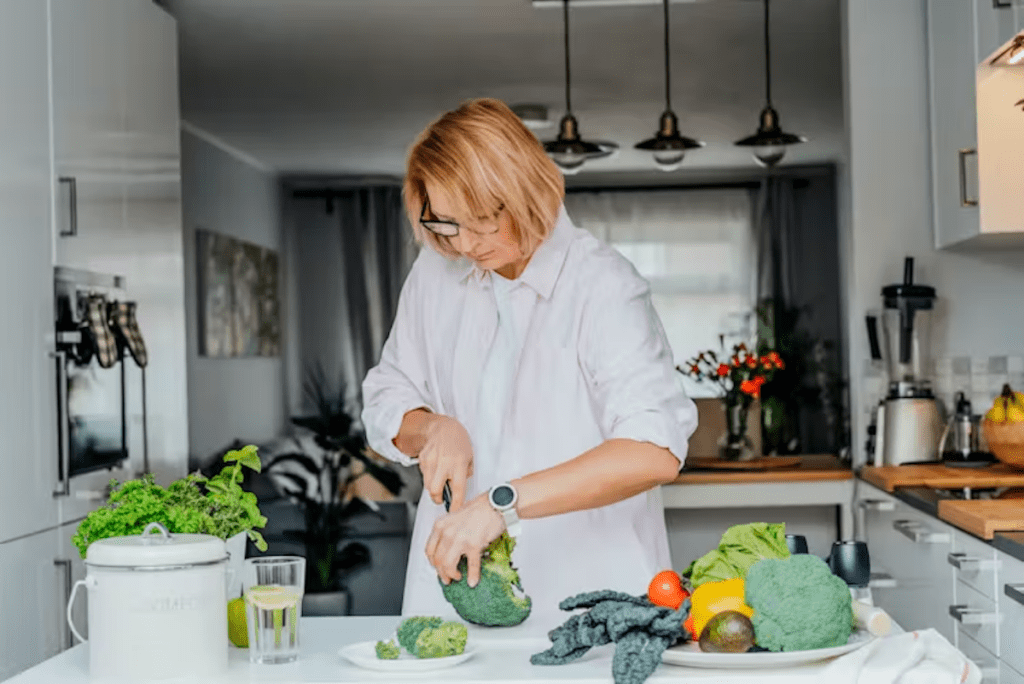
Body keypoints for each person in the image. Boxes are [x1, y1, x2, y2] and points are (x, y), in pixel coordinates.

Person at [361, 97, 698, 633]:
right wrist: (432, 428)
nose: (467, 244)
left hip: (591, 600)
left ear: (525, 191)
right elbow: (385, 397)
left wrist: (501, 504)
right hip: (454, 602)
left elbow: (653, 452)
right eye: (446, 224)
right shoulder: (435, 273)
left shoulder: (603, 286)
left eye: (483, 221)